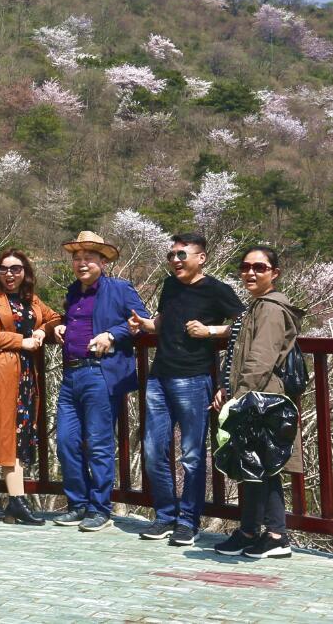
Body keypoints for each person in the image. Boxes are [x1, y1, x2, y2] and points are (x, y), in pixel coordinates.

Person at [130, 232, 246, 547]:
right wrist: (144, 324)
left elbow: (245, 323)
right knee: (153, 450)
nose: (175, 260)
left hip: (194, 379)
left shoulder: (217, 290)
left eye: (182, 254)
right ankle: (165, 516)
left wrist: (210, 330)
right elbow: (162, 322)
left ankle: (188, 522)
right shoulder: (169, 285)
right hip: (159, 377)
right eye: (171, 255)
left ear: (201, 258)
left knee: (192, 455)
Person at [51, 231, 148, 532]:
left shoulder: (119, 288)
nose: (82, 263)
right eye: (77, 258)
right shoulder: (73, 292)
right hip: (70, 375)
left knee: (98, 443)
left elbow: (142, 321)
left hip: (100, 373)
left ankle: (100, 508)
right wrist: (59, 325)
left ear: (103, 262)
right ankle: (78, 504)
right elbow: (74, 321)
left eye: (89, 258)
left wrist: (112, 335)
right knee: (66, 441)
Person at [214, 246, 303, 560]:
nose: (250, 272)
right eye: (245, 266)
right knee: (252, 464)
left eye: (259, 267)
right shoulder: (256, 306)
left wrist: (239, 397)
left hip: (262, 398)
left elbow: (261, 359)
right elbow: (239, 354)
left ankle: (276, 535)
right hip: (252, 395)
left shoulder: (270, 308)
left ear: (274, 273)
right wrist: (226, 387)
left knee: (263, 464)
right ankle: (251, 531)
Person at [0, 248, 62, 525]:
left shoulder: (31, 300)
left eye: (16, 269)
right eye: (4, 269)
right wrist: (22, 341)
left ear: (25, 272)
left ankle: (14, 501)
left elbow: (54, 316)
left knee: (17, 434)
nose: (9, 274)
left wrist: (43, 329)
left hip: (22, 376)